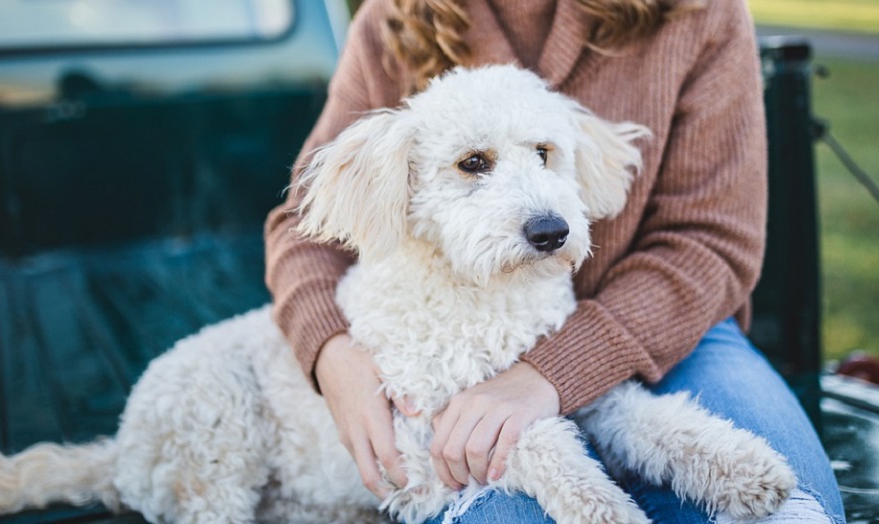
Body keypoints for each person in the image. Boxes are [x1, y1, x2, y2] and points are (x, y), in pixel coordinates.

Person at [264, 0, 846, 522]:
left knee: (788, 512)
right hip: (452, 337)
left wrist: (552, 372)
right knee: (504, 514)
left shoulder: (700, 14)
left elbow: (711, 239)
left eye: (544, 154)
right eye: (473, 163)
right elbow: (304, 224)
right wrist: (331, 353)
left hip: (674, 332)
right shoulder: (397, 16)